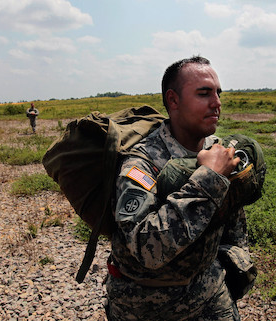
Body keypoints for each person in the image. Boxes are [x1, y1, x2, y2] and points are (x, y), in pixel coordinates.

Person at [105, 56, 258, 320]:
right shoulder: (142, 163)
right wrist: (209, 178)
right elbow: (145, 247)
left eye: (218, 93)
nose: (217, 103)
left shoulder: (217, 148)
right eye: (203, 94)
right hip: (148, 307)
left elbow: (233, 220)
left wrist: (233, 264)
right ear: (173, 101)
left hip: (209, 291)